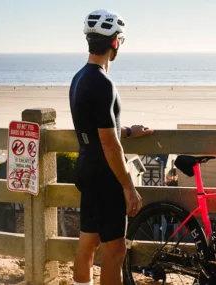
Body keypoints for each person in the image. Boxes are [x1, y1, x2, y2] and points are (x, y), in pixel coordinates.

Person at [69, 9, 154, 285]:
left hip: (86, 167)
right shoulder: (103, 83)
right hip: (105, 173)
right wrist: (129, 188)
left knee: (88, 243)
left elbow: (95, 129)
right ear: (115, 42)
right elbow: (108, 142)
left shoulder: (79, 78)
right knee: (116, 250)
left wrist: (127, 131)